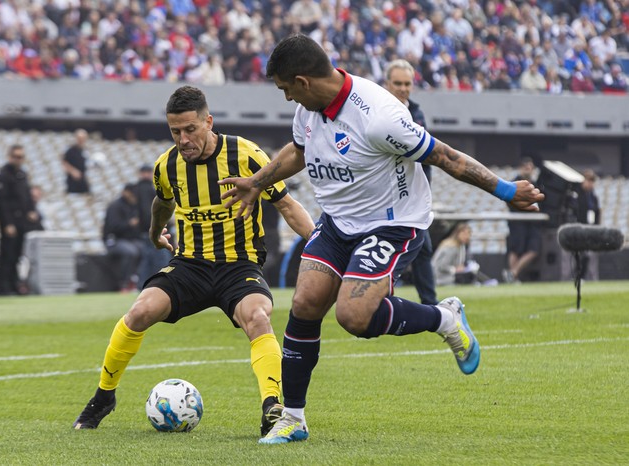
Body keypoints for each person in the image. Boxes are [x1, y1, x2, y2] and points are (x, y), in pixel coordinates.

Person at [219, 34, 544, 444]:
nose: (285, 98)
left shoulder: (378, 117)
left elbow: (445, 157)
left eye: (285, 88)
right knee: (304, 304)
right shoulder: (308, 109)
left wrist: (506, 191)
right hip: (338, 223)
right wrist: (256, 181)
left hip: (393, 223)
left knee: (354, 317)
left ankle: (445, 318)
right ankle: (294, 418)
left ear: (302, 81)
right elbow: (298, 151)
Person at [73, 86, 315, 438]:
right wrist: (156, 232)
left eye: (190, 129)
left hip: (239, 265)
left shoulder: (246, 155)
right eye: (175, 131)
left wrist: (320, 245)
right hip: (191, 265)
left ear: (208, 122)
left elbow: (288, 206)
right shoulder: (167, 165)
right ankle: (103, 396)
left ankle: (272, 407)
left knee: (257, 317)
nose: (183, 139)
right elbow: (163, 201)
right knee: (139, 312)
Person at [384, 59, 438, 305]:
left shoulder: (417, 114)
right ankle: (378, 298)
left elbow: (426, 159)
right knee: (388, 250)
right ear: (387, 84)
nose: (403, 88)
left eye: (407, 83)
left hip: (413, 198)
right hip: (385, 196)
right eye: (398, 83)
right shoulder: (378, 111)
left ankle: (429, 303)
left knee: (423, 249)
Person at [0, 144, 39, 296]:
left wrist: (31, 211)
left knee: (17, 256)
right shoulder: (4, 175)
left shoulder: (22, 174)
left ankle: (14, 285)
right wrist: (8, 223)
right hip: (10, 223)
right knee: (7, 255)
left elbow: (27, 196)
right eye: (16, 156)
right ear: (10, 156)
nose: (19, 160)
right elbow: (3, 202)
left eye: (21, 157)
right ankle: (4, 287)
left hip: (21, 222)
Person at [132, 164, 173, 290]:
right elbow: (147, 211)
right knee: (162, 258)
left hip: (145, 230)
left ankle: (143, 285)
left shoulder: (138, 188)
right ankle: (166, 283)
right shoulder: (146, 188)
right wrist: (155, 226)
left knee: (147, 260)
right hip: (152, 229)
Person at [504, 157, 542, 283]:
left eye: (530, 167)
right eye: (526, 166)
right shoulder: (513, 183)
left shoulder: (535, 184)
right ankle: (512, 276)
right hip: (517, 222)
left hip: (532, 222)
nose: (528, 169)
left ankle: (513, 273)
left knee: (534, 249)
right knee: (515, 249)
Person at [102, 183, 144, 292]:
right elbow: (113, 227)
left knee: (146, 249)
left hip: (130, 240)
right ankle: (124, 284)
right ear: (126, 193)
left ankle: (140, 281)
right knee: (131, 251)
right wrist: (129, 224)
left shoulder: (134, 206)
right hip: (113, 240)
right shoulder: (115, 206)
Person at [432, 222, 497, 286]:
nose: (467, 236)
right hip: (441, 277)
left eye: (469, 234)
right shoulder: (450, 246)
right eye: (464, 233)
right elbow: (442, 266)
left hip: (452, 275)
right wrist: (455, 269)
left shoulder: (462, 246)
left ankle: (486, 281)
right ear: (457, 233)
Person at [573, 169, 601, 280]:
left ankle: (583, 276)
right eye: (588, 180)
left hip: (590, 229)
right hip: (579, 228)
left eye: (592, 181)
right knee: (579, 254)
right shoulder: (577, 194)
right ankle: (577, 276)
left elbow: (597, 213)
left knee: (587, 255)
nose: (590, 183)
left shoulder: (593, 197)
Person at [62, 128, 90, 194]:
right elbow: (64, 162)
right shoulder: (71, 150)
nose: (81, 140)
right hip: (72, 179)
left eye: (83, 138)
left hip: (82, 177)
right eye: (79, 138)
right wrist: (73, 171)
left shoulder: (85, 150)